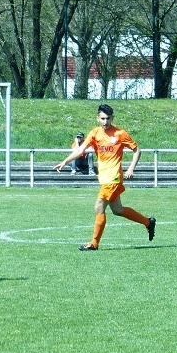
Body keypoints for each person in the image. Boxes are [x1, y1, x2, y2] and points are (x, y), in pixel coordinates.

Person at [54, 104, 156, 250]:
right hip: (105, 178)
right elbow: (81, 149)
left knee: (99, 207)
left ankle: (94, 244)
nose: (105, 121)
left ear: (112, 118)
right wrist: (65, 161)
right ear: (98, 118)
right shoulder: (95, 133)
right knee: (118, 210)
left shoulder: (120, 134)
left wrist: (131, 168)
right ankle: (148, 222)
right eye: (102, 118)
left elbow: (137, 150)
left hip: (113, 178)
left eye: (108, 118)